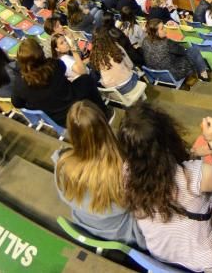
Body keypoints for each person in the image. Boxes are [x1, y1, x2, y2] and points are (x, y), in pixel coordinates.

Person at [118, 103, 212, 272]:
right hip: (204, 261)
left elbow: (153, 160)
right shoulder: (191, 175)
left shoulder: (127, 171)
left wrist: (193, 153)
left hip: (162, 259)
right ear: (169, 135)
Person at [53, 101, 144, 247]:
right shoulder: (124, 167)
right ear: (104, 123)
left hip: (87, 226)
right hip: (124, 235)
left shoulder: (62, 163)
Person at [10, 38, 108, 126]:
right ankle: (104, 112)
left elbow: (17, 103)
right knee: (86, 79)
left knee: (83, 80)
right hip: (76, 105)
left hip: (61, 121)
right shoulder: (53, 64)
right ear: (40, 53)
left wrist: (36, 100)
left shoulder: (19, 83)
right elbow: (62, 68)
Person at [142, 18, 211, 82]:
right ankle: (204, 75)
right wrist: (174, 43)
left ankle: (202, 70)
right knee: (193, 51)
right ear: (155, 32)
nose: (165, 30)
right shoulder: (167, 43)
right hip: (173, 74)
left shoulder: (145, 41)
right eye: (162, 28)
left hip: (157, 74)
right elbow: (182, 51)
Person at [88, 28, 140, 95]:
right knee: (135, 69)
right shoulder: (117, 47)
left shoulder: (93, 55)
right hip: (128, 84)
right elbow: (130, 65)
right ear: (109, 37)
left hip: (111, 90)